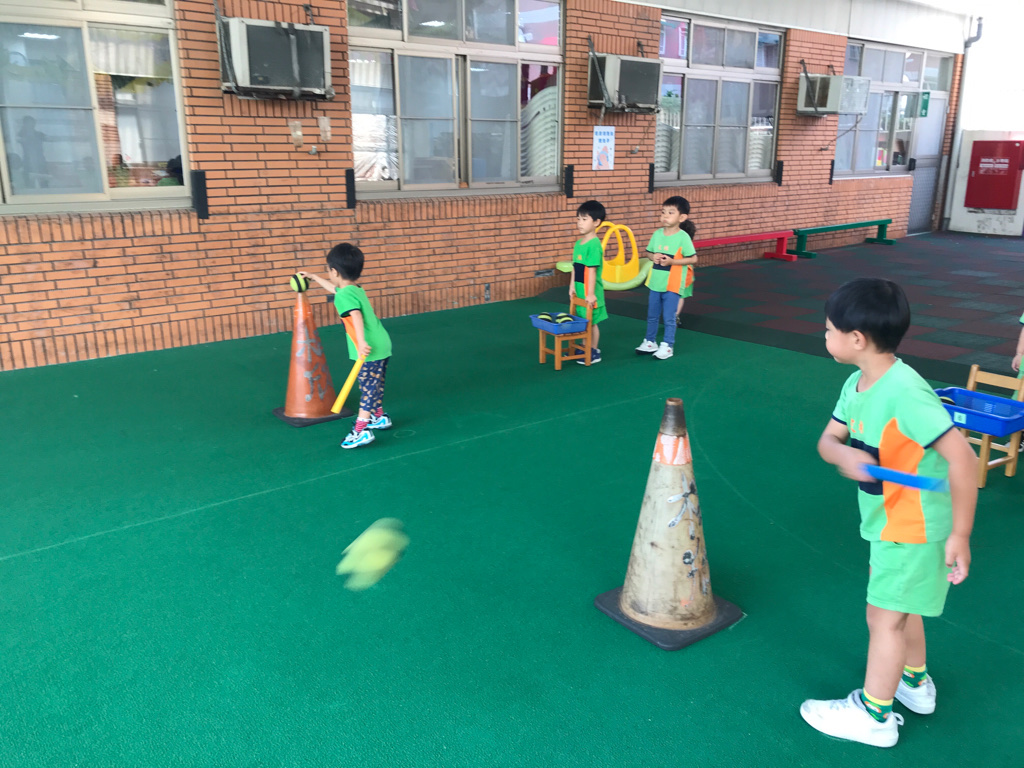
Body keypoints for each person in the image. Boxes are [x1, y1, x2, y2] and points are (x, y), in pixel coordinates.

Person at [800, 278, 978, 748]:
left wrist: (960, 534)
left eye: (829, 330)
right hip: (888, 523)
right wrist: (845, 455)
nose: (825, 335)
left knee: (883, 618)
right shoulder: (856, 384)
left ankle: (874, 715)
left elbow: (963, 459)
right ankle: (913, 682)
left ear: (857, 339)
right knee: (901, 607)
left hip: (913, 527)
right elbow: (827, 441)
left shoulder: (906, 393)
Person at [300, 243, 393, 449]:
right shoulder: (354, 289)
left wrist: (361, 342)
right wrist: (314, 277)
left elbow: (355, 315)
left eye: (328, 270)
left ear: (334, 271)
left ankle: (360, 431)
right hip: (382, 343)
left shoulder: (344, 296)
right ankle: (379, 417)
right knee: (374, 384)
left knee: (368, 388)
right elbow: (335, 289)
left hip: (370, 348)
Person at [635, 196, 697, 360]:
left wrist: (672, 262)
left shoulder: (683, 237)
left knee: (669, 317)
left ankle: (668, 345)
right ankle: (650, 342)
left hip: (673, 284)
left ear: (682, 217)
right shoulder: (657, 234)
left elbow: (693, 258)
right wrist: (653, 256)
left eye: (670, 212)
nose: (665, 216)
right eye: (663, 212)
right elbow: (648, 253)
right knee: (652, 315)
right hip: (655, 283)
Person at [569, 200, 607, 365]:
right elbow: (575, 267)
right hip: (579, 289)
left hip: (590, 292)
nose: (580, 223)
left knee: (591, 323)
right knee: (582, 321)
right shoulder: (579, 244)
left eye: (584, 219)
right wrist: (572, 286)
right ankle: (584, 347)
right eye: (578, 219)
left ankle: (593, 350)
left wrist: (591, 294)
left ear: (596, 222)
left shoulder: (594, 245)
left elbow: (591, 270)